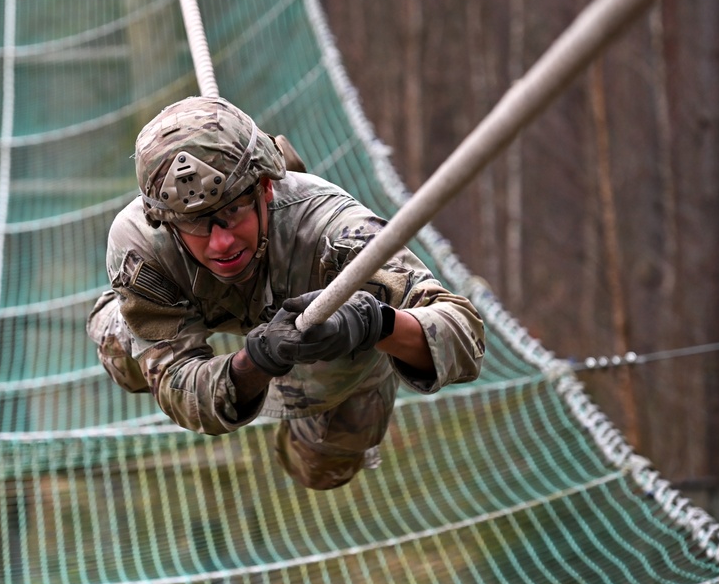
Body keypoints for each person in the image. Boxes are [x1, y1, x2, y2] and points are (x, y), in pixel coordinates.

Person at [86, 96, 485, 490]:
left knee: (320, 469)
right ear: (168, 224)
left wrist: (371, 322)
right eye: (196, 226)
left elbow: (464, 335)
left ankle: (334, 403)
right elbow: (182, 391)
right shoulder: (142, 245)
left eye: (233, 213)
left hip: (340, 351)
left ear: (265, 189)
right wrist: (255, 361)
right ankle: (137, 322)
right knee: (120, 353)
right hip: (197, 311)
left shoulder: (333, 228)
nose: (221, 243)